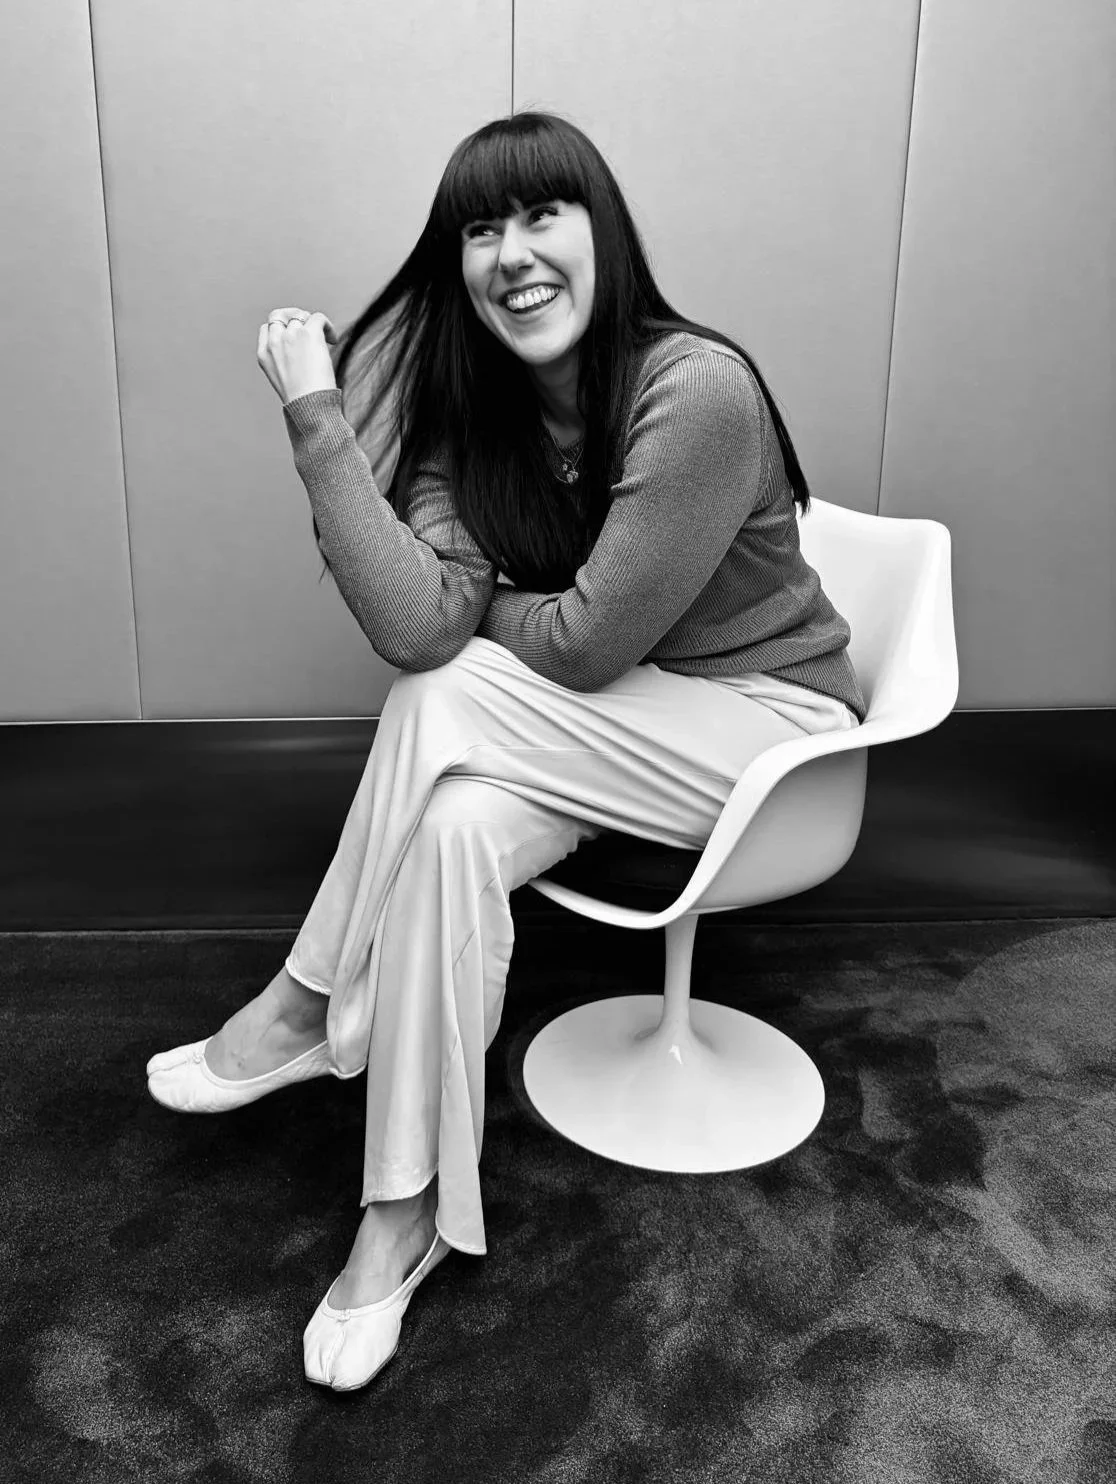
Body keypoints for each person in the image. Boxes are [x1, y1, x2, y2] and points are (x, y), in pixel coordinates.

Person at [146, 110, 866, 1393]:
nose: (514, 252)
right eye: (483, 228)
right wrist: (320, 418)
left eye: (544, 214)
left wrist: (505, 616)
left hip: (769, 735)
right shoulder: (474, 427)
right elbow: (419, 622)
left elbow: (579, 648)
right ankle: (403, 1210)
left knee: (454, 699)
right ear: (455, 265)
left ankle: (309, 1000)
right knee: (455, 822)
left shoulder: (694, 390)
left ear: (605, 233)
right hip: (610, 733)